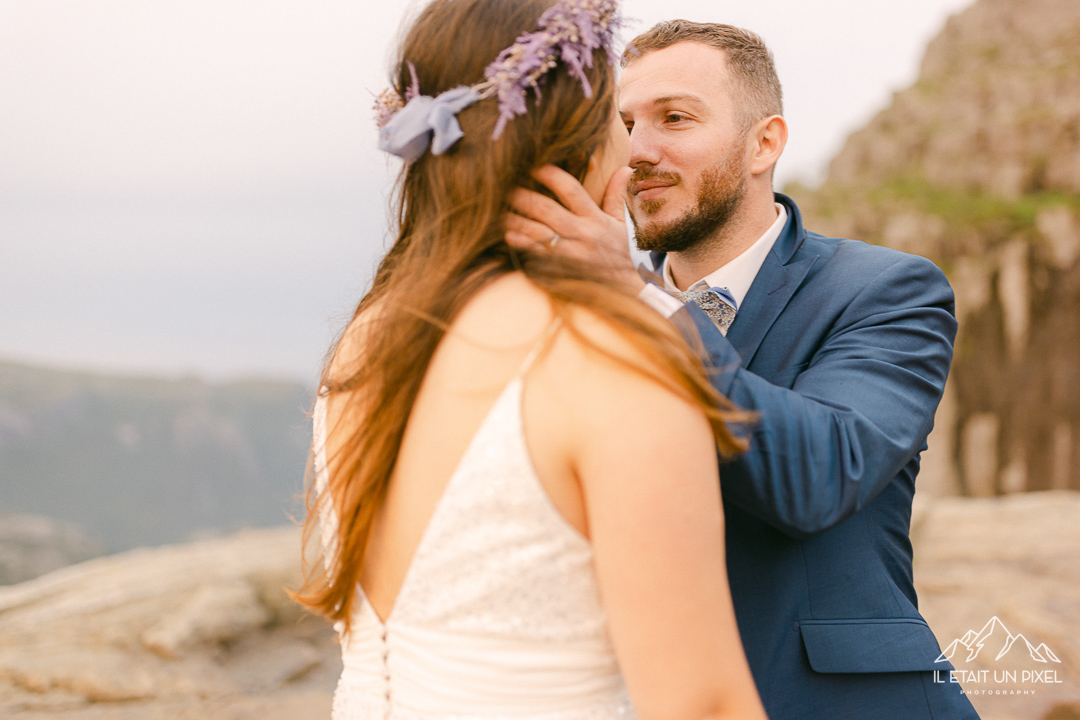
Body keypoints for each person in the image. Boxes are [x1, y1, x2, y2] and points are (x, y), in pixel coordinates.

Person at [293, 2, 767, 718]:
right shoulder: (606, 358)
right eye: (619, 117)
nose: (633, 149)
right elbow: (702, 706)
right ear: (577, 138)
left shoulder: (368, 341)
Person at [506, 20, 981, 720]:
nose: (638, 151)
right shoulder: (578, 316)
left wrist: (640, 298)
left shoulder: (888, 290)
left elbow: (823, 471)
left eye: (674, 118)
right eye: (624, 124)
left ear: (765, 143)